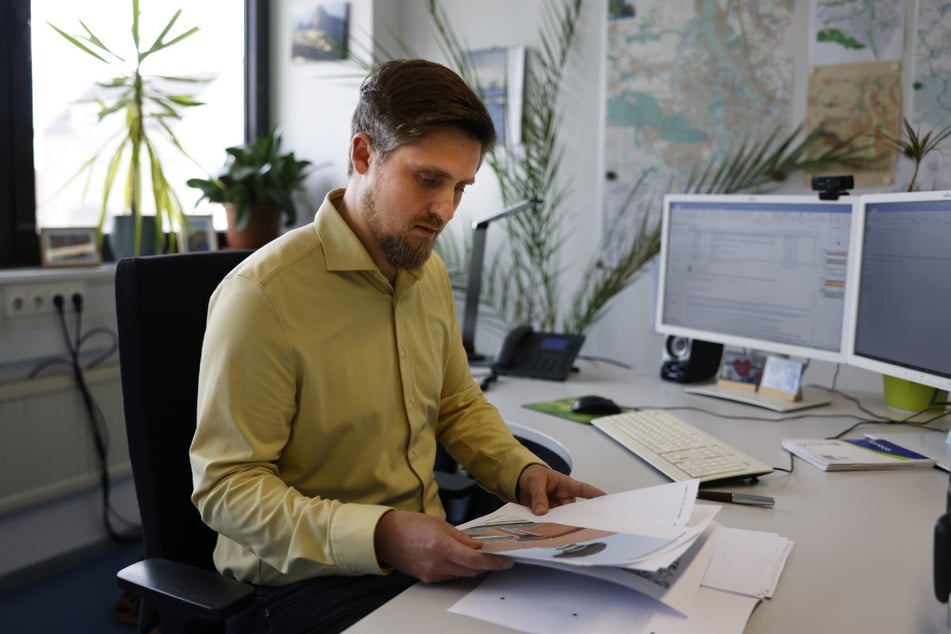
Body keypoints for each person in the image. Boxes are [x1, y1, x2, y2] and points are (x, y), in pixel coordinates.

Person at [189, 58, 605, 634]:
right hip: (296, 587)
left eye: (460, 188)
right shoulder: (262, 297)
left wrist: (524, 472)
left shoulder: (426, 273)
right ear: (363, 156)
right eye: (428, 180)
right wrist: (383, 534)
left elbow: (457, 405)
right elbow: (226, 490)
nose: (445, 211)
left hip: (420, 560)